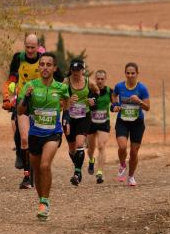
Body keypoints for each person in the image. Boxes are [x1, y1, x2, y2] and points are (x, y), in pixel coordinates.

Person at [2, 34, 59, 189]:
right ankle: (27, 177)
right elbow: (12, 77)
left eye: (33, 47)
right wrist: (9, 96)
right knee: (24, 138)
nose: (30, 50)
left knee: (37, 140)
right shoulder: (18, 58)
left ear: (38, 46)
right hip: (23, 101)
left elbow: (58, 78)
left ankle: (37, 166)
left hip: (41, 104)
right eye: (27, 47)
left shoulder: (43, 59)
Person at [17, 52, 70, 221]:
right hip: (35, 133)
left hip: (53, 133)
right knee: (37, 170)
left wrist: (66, 119)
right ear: (38, 67)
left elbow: (67, 103)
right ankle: (41, 201)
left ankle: (45, 202)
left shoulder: (61, 87)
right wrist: (26, 97)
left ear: (54, 68)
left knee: (45, 165)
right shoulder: (30, 85)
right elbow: (20, 111)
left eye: (49, 64)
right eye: (42, 64)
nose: (45, 67)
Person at [112, 62, 150, 186]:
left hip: (137, 122)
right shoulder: (119, 86)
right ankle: (122, 164)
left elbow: (147, 107)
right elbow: (114, 95)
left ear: (137, 74)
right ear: (125, 74)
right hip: (122, 121)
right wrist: (116, 105)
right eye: (128, 73)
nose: (130, 75)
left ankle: (131, 176)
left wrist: (138, 101)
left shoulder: (142, 88)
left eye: (132, 73)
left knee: (134, 152)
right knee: (122, 147)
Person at [65, 58, 99, 186]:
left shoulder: (89, 82)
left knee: (80, 144)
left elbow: (97, 92)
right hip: (69, 118)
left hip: (84, 117)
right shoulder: (66, 82)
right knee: (72, 148)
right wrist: (68, 100)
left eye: (78, 70)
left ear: (82, 70)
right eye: (73, 70)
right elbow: (59, 100)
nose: (75, 73)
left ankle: (77, 173)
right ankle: (78, 167)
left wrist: (93, 100)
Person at [86, 70, 112, 184]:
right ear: (95, 79)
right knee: (91, 149)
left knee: (101, 146)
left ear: (105, 79)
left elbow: (115, 104)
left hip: (104, 122)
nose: (100, 81)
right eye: (98, 79)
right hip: (91, 123)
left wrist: (115, 107)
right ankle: (91, 160)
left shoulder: (109, 91)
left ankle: (100, 172)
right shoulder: (89, 91)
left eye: (102, 79)